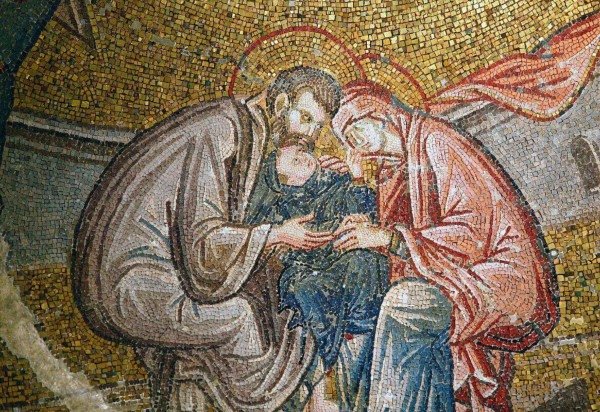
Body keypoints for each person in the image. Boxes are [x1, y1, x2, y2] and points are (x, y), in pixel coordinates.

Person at [71, 66, 344, 411]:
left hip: (166, 274)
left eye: (318, 126)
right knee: (243, 318)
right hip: (130, 283)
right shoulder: (222, 129)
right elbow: (203, 249)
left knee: (272, 303)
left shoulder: (247, 129)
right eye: (305, 118)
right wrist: (275, 235)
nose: (309, 135)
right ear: (279, 104)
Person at [323, 80, 558, 412]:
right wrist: (367, 215)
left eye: (354, 129)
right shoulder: (391, 172)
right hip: (445, 276)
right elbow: (399, 252)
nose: (354, 143)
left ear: (379, 113)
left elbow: (472, 233)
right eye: (346, 139)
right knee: (355, 328)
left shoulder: (436, 139)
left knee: (405, 305)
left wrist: (389, 239)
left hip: (492, 271)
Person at [244, 135, 389, 410]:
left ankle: (353, 348)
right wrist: (333, 234)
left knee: (364, 264)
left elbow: (366, 212)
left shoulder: (335, 181)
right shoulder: (287, 208)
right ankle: (329, 363)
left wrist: (357, 180)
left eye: (302, 152)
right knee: (305, 288)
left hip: (352, 262)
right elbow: (298, 248)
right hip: (312, 270)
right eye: (295, 161)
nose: (304, 158)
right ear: (287, 182)